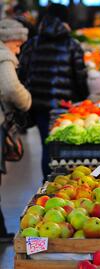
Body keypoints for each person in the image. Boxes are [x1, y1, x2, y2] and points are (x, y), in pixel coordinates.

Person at [18, 3, 89, 179]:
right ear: (66, 21)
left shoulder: (33, 43)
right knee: (66, 147)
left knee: (47, 145)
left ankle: (49, 185)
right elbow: (80, 75)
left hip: (38, 104)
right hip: (64, 105)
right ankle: (68, 185)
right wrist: (82, 98)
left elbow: (22, 72)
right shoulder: (72, 44)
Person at [0, 19, 32, 241]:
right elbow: (11, 88)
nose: (18, 49)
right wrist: (27, 100)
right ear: (9, 39)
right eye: (18, 44)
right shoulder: (3, 58)